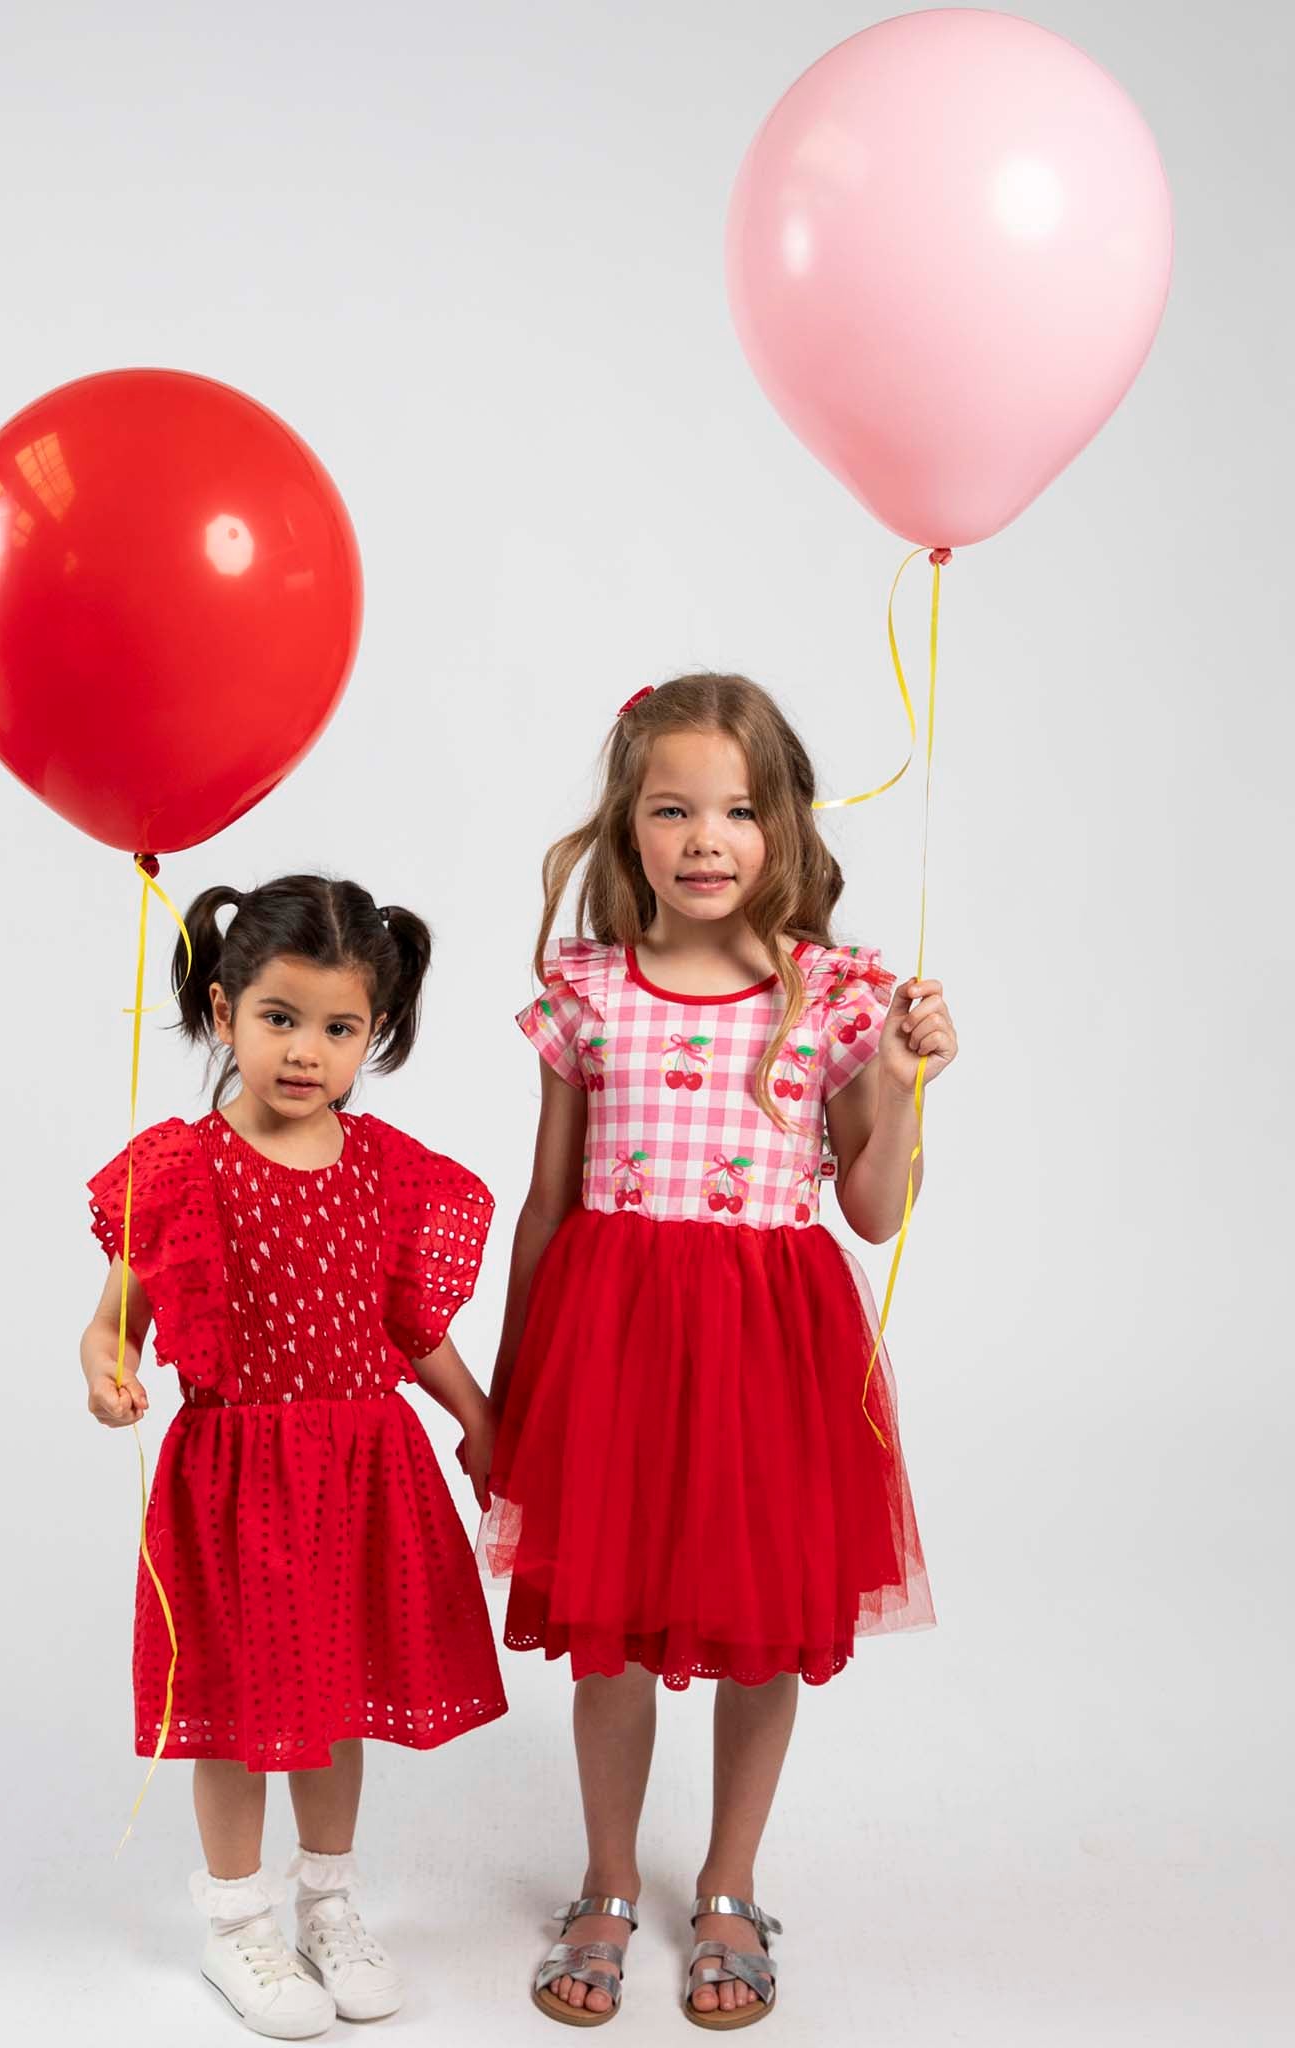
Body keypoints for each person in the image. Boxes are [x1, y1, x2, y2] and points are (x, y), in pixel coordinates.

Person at [482, 676, 957, 2029]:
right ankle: (609, 1883)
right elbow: (546, 1203)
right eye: (674, 808)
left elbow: (869, 1210)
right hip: (613, 1350)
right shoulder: (586, 992)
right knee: (611, 1641)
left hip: (769, 1351)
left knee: (762, 1633)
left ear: (787, 824)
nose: (708, 838)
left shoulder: (838, 992)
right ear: (627, 825)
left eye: (741, 810)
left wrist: (907, 1092)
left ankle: (733, 1888)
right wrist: (514, 1392)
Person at [81, 874, 505, 2039]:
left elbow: (414, 1324)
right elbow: (116, 1317)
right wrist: (105, 1370)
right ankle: (236, 1924)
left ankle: (327, 1900)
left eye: (338, 1026)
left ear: (375, 1031)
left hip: (361, 1475)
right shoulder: (178, 1167)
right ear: (223, 1012)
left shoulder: (384, 1166)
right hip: (237, 1479)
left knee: (340, 1697)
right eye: (279, 1017)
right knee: (237, 1706)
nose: (307, 1049)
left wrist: (477, 1415)